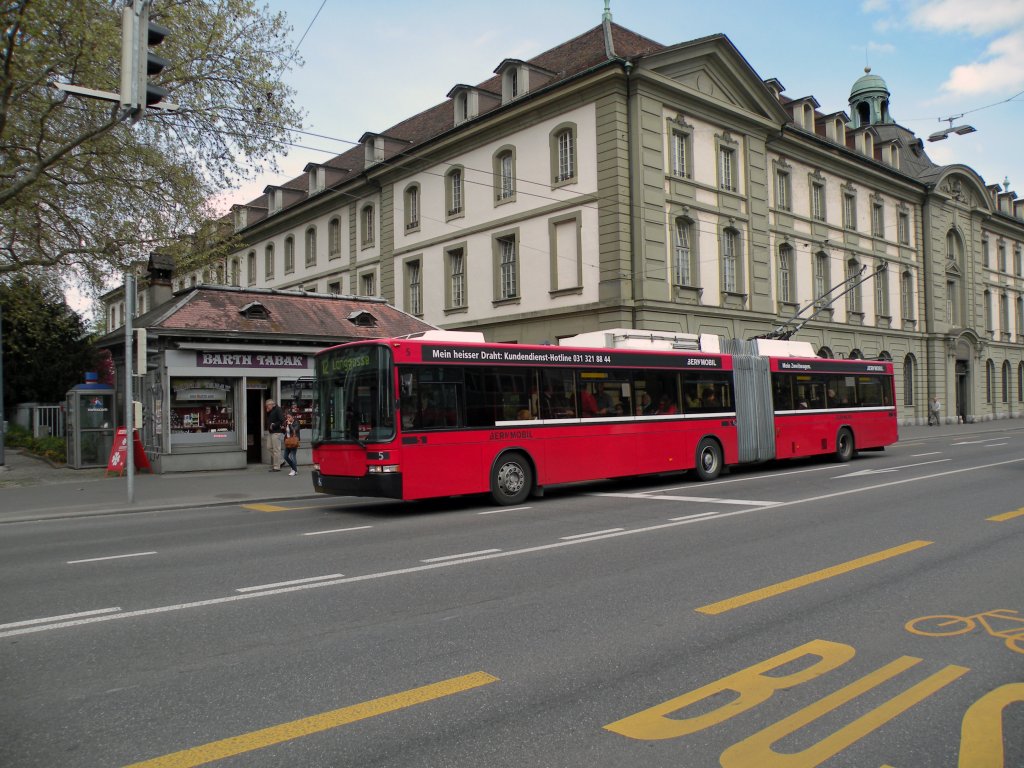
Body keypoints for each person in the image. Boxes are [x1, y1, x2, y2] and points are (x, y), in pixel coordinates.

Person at [265, 398, 285, 471]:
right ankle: (281, 461)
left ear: (271, 404)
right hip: (271, 432)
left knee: (276, 449)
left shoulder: (278, 409)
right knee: (269, 447)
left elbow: (282, 420)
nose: (267, 407)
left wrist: (274, 425)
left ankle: (276, 467)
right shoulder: (271, 410)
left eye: (267, 406)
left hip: (276, 432)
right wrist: (268, 412)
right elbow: (270, 419)